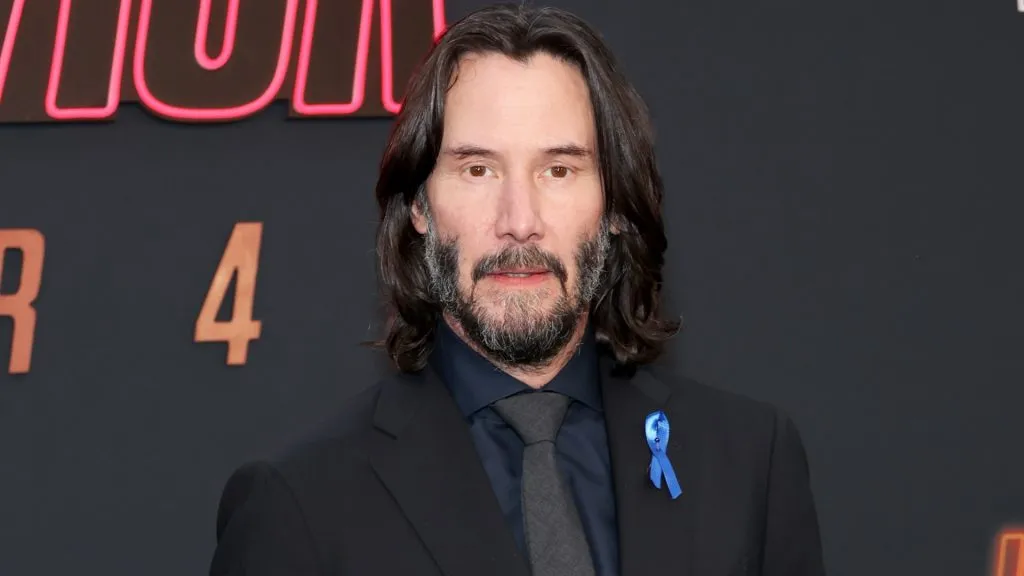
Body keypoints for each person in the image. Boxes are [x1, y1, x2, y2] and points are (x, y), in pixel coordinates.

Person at [208, 3, 826, 575]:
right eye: (478, 170)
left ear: (614, 204)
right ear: (420, 204)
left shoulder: (749, 465)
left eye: (559, 170)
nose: (519, 218)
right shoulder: (300, 507)